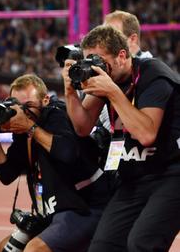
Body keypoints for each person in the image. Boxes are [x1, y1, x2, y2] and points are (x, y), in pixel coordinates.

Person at [62, 25, 180, 251]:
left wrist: (112, 92)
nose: (94, 66)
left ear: (122, 56)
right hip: (135, 176)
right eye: (89, 60)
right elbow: (82, 127)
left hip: (172, 174)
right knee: (103, 246)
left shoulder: (154, 74)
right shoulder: (107, 79)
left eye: (98, 59)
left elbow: (146, 134)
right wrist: (69, 93)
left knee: (142, 243)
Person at [0, 74, 110, 252]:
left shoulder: (58, 113)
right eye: (18, 106)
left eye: (28, 105)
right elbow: (6, 175)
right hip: (50, 213)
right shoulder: (23, 131)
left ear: (45, 100)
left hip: (84, 207)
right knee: (2, 250)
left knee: (35, 250)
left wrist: (30, 128)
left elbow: (67, 153)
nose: (23, 112)